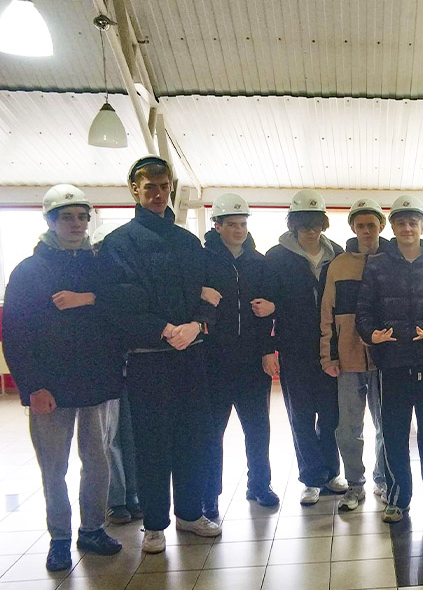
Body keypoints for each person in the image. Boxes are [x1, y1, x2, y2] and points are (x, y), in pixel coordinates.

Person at [98, 156, 221, 554]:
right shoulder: (119, 243)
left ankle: (190, 513)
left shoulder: (188, 242)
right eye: (148, 187)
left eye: (163, 186)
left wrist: (197, 325)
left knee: (194, 437)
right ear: (134, 189)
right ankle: (154, 525)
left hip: (191, 355)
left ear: (170, 188)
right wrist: (165, 329)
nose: (157, 193)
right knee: (152, 443)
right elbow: (120, 302)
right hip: (148, 358)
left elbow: (209, 293)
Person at [1, 185, 123, 571]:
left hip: (98, 386)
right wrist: (32, 387)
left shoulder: (101, 266)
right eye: (67, 217)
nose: (76, 224)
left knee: (98, 461)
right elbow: (15, 333)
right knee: (54, 468)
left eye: (82, 217)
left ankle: (92, 529)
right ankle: (59, 538)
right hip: (50, 390)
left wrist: (89, 298)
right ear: (51, 221)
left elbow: (122, 307)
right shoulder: (29, 271)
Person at [356, 194, 423, 524]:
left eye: (413, 222)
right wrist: (371, 335)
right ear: (393, 227)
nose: (407, 228)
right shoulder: (377, 265)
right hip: (392, 363)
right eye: (400, 223)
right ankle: (398, 498)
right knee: (394, 435)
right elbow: (364, 311)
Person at [265, 189, 347, 505]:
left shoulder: (336, 254)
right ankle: (311, 478)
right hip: (293, 348)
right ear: (294, 224)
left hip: (329, 348)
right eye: (304, 225)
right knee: (300, 416)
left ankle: (331, 473)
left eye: (315, 224)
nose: (310, 231)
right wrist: (268, 348)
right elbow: (267, 304)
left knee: (330, 415)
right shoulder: (276, 257)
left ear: (323, 224)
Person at [202, 193, 279, 518]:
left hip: (251, 360)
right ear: (217, 226)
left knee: (258, 428)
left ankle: (259, 485)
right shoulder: (203, 261)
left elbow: (270, 307)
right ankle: (209, 495)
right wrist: (199, 294)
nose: (238, 230)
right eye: (231, 224)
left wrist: (267, 348)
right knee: (211, 433)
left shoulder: (259, 263)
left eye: (242, 224)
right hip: (214, 361)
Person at [320, 198, 389, 511]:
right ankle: (355, 484)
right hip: (348, 360)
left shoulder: (392, 260)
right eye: (360, 225)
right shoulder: (338, 265)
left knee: (386, 425)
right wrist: (328, 355)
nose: (366, 230)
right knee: (349, 428)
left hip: (385, 359)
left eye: (371, 225)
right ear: (352, 228)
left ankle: (383, 480)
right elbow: (327, 314)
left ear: (381, 226)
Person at [91, 222, 143, 526]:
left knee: (131, 436)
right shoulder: (90, 281)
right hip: (102, 370)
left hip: (131, 367)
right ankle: (116, 499)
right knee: (108, 439)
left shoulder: (131, 278)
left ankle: (134, 494)